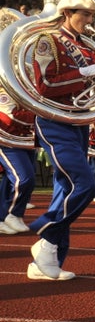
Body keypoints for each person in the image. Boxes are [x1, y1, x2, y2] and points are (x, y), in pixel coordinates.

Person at [28, 0, 95, 281]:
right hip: (54, 121)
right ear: (67, 13)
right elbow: (45, 84)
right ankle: (46, 238)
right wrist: (85, 71)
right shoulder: (48, 41)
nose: (88, 20)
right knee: (83, 184)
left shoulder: (88, 47)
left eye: (90, 14)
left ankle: (48, 262)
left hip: (79, 123)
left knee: (65, 190)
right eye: (83, 14)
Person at [0, 89, 35, 236]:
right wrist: (42, 116)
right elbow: (10, 116)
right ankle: (13, 213)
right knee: (24, 179)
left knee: (9, 181)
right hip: (7, 139)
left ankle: (3, 218)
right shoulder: (4, 90)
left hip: (24, 140)